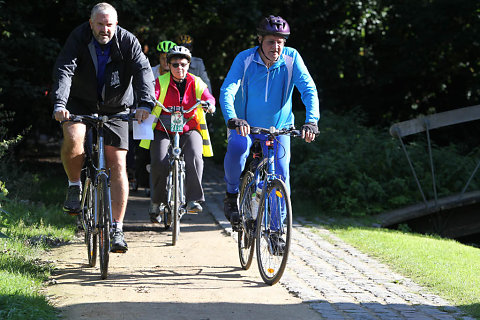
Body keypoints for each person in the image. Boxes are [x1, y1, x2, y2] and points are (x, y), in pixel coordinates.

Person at [51, 2, 155, 253]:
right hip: (80, 102)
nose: (105, 29)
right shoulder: (79, 37)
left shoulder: (128, 41)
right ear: (91, 23)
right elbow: (64, 69)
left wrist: (145, 104)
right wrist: (60, 103)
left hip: (117, 106)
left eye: (109, 24)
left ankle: (117, 229)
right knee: (74, 136)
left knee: (117, 162)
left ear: (116, 25)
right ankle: (75, 186)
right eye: (100, 24)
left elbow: (143, 71)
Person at [220, 15, 320, 232]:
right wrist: (232, 118)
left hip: (279, 128)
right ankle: (231, 194)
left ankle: (275, 231)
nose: (276, 47)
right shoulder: (245, 59)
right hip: (245, 126)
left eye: (280, 42)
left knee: (281, 173)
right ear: (259, 40)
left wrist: (312, 121)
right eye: (270, 41)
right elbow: (228, 89)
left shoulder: (292, 58)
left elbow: (309, 90)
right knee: (238, 147)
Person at [139, 46, 215, 223]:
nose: (179, 68)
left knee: (195, 156)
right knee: (159, 161)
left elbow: (208, 97)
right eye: (175, 64)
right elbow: (152, 95)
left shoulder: (196, 82)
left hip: (189, 127)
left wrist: (209, 105)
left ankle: (192, 200)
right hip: (163, 128)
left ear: (188, 65)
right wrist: (148, 103)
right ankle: (157, 202)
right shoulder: (161, 81)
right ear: (168, 65)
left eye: (183, 64)